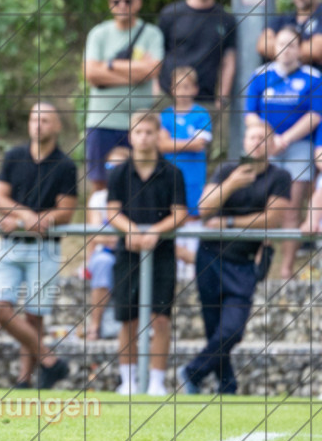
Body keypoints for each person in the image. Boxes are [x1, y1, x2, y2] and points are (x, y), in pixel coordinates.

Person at [179, 120, 291, 394]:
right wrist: (230, 184)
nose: (257, 142)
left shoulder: (280, 177)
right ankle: (226, 385)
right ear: (244, 142)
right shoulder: (227, 170)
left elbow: (272, 219)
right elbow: (204, 208)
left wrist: (228, 223)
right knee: (214, 328)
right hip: (210, 257)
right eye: (252, 137)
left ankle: (193, 370)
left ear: (272, 145)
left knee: (233, 330)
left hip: (243, 262)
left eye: (263, 138)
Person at [0, 102, 76, 389]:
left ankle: (25, 380)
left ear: (57, 126)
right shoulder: (14, 156)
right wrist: (26, 216)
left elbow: (66, 210)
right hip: (11, 244)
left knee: (35, 315)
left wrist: (39, 220)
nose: (38, 125)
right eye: (34, 119)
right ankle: (50, 361)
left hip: (45, 247)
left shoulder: (65, 165)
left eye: (46, 120)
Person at [106, 110, 188, 396]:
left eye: (149, 132)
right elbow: (112, 211)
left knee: (161, 318)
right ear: (130, 136)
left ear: (158, 135)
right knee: (127, 318)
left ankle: (156, 381)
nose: (143, 138)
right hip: (127, 253)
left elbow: (180, 213)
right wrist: (130, 230)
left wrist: (155, 231)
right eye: (138, 132)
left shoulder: (172, 173)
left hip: (162, 252)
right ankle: (128, 380)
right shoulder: (118, 173)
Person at [246, 25, 321, 279]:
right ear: (274, 47)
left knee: (291, 210)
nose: (286, 50)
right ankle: (258, 268)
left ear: (299, 49)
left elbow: (314, 116)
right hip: (264, 148)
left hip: (298, 147)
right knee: (261, 209)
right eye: (281, 44)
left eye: (291, 45)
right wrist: (266, 139)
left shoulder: (313, 77)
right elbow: (249, 114)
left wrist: (285, 139)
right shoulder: (259, 75)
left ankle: (286, 270)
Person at [83, 0, 164, 191]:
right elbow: (91, 73)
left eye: (127, 1)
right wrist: (135, 72)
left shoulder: (152, 34)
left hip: (140, 125)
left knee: (141, 181)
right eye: (115, 1)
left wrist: (107, 66)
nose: (121, 6)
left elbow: (153, 70)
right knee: (100, 182)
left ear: (138, 2)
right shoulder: (98, 33)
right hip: (102, 122)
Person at [158, 0, 238, 155]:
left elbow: (229, 60)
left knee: (201, 155)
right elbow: (158, 53)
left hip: (205, 100)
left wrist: (222, 97)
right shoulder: (171, 13)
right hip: (167, 98)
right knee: (162, 154)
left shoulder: (226, 19)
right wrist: (155, 88)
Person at [159, 66, 212, 280]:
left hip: (193, 177)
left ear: (195, 89)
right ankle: (174, 267)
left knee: (192, 214)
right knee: (171, 214)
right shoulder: (164, 115)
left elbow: (199, 144)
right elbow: (160, 146)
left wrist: (171, 143)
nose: (182, 90)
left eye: (187, 86)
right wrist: (182, 144)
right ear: (172, 89)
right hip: (169, 177)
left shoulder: (201, 114)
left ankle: (191, 269)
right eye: (178, 86)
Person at [84, 147, 129, 341]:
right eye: (110, 166)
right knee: (103, 263)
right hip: (105, 252)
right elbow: (95, 234)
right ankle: (94, 325)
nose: (114, 171)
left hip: (129, 251)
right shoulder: (99, 198)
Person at [258, 0, 322, 63]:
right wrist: (302, 49)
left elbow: (317, 50)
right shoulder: (284, 18)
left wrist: (280, 47)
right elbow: (263, 45)